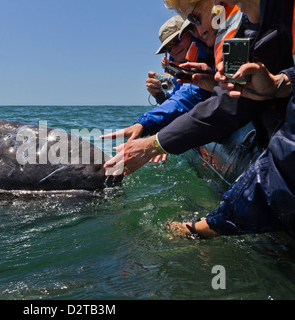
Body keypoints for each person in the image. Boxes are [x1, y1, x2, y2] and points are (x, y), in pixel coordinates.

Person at [104, 0, 295, 237]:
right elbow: (195, 97)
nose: (200, 30)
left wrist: (157, 142)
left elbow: (226, 105)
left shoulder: (242, 26)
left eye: (194, 20)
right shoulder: (246, 26)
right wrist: (280, 84)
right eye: (168, 47)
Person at [102, 15, 213, 164]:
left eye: (176, 40)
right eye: (168, 47)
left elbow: (189, 97)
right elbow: (178, 98)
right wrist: (158, 94)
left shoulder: (205, 60)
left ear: (193, 31)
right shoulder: (179, 70)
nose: (173, 49)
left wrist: (145, 124)